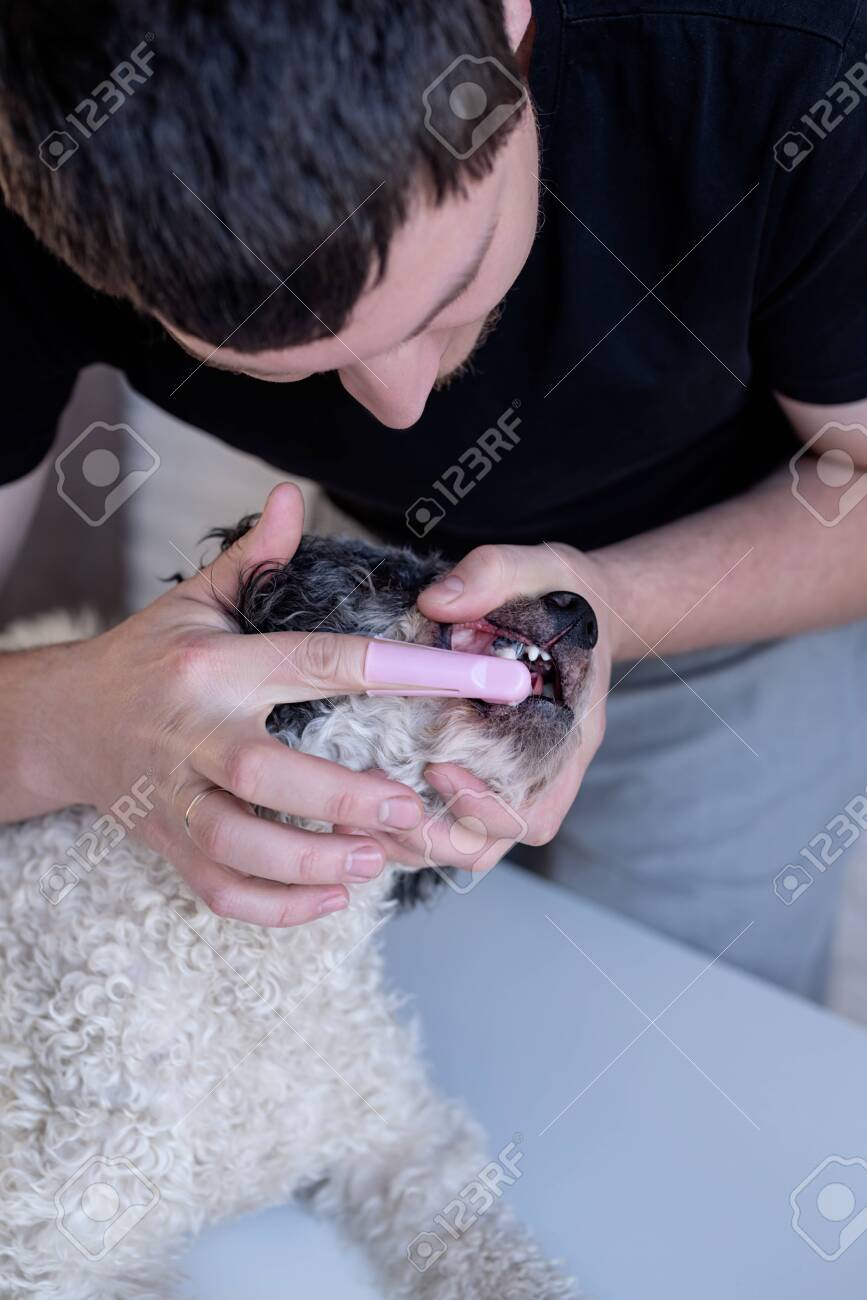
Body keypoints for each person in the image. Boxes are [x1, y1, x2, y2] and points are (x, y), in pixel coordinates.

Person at [1, 0, 865, 997]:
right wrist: (65, 717)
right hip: (354, 585)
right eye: (281, 365)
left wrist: (615, 603)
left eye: (454, 291)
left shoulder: (794, 67)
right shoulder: (39, 147)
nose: (401, 410)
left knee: (679, 1029)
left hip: (743, 580)